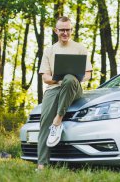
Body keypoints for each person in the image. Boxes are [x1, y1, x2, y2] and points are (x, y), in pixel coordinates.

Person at [37, 16, 92, 170]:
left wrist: (76, 78)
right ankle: (42, 165)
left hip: (74, 87)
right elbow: (45, 77)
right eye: (62, 30)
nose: (65, 33)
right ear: (56, 31)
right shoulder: (49, 51)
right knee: (44, 120)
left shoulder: (80, 48)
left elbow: (88, 74)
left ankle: (58, 121)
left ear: (71, 30)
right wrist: (58, 82)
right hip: (55, 88)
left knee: (69, 78)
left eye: (68, 29)